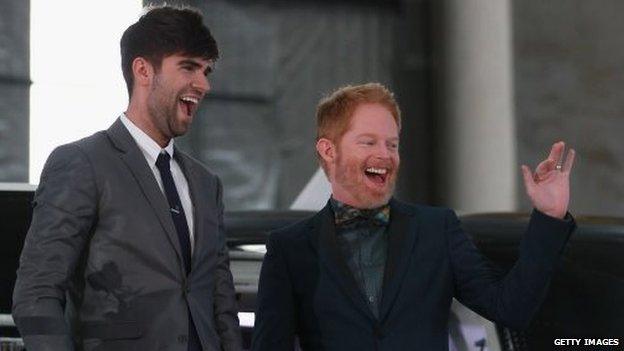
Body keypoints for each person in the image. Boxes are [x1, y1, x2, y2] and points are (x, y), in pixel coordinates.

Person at [251, 83, 576, 351]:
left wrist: (549, 216)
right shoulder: (289, 247)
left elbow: (510, 309)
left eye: (392, 144)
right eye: (369, 142)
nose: (385, 154)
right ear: (328, 150)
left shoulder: (437, 230)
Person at [12, 6, 242, 351]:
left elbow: (221, 302)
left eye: (206, 70)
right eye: (189, 67)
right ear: (143, 70)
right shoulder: (82, 163)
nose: (204, 84)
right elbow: (36, 292)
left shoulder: (207, 183)